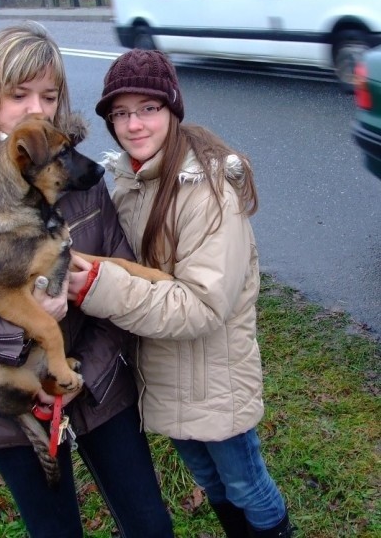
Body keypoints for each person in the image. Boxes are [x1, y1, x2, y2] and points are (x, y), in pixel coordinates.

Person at [0, 24, 173, 538]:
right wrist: (23, 336)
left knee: (151, 524)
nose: (35, 109)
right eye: (18, 95)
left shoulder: (83, 181)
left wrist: (85, 371)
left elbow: (119, 275)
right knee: (55, 530)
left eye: (48, 95)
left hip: (97, 384)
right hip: (10, 405)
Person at [68, 49, 294, 538]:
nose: (134, 124)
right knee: (211, 479)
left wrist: (94, 286)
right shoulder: (131, 182)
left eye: (148, 108)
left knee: (245, 481)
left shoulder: (207, 192)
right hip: (164, 375)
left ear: (172, 110)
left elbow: (200, 306)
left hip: (212, 376)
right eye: (121, 113)